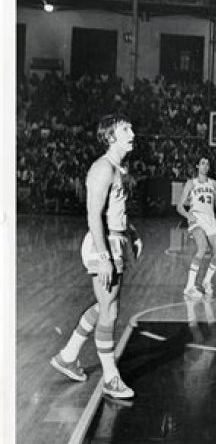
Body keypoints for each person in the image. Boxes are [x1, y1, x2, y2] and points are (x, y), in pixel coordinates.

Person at [51, 114, 141, 400]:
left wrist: (132, 233)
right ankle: (111, 378)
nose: (132, 133)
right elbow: (93, 216)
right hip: (103, 244)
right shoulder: (102, 168)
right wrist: (104, 257)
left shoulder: (118, 167)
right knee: (109, 311)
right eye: (125, 129)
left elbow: (115, 211)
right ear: (110, 137)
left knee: (106, 306)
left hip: (115, 240)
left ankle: (68, 355)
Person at [176, 156, 216, 298]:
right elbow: (179, 206)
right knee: (202, 248)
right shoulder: (191, 183)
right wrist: (188, 215)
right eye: (202, 163)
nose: (205, 166)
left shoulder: (213, 184)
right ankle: (189, 287)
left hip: (210, 218)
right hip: (197, 217)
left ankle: (206, 281)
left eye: (207, 164)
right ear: (197, 166)